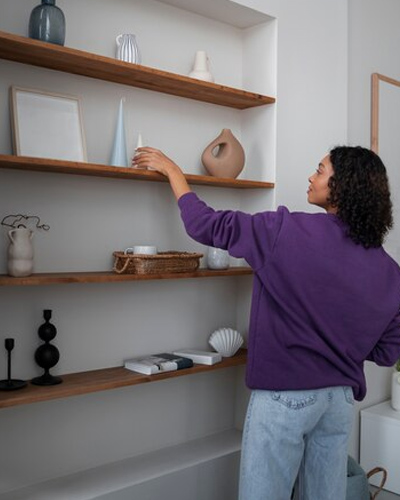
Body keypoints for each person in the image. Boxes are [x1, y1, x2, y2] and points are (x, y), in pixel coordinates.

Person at [133, 145, 400, 500]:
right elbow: (386, 352)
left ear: (342, 186)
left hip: (284, 398)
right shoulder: (388, 269)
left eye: (320, 170)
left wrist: (172, 171)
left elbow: (204, 224)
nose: (311, 176)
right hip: (337, 401)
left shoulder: (284, 230)